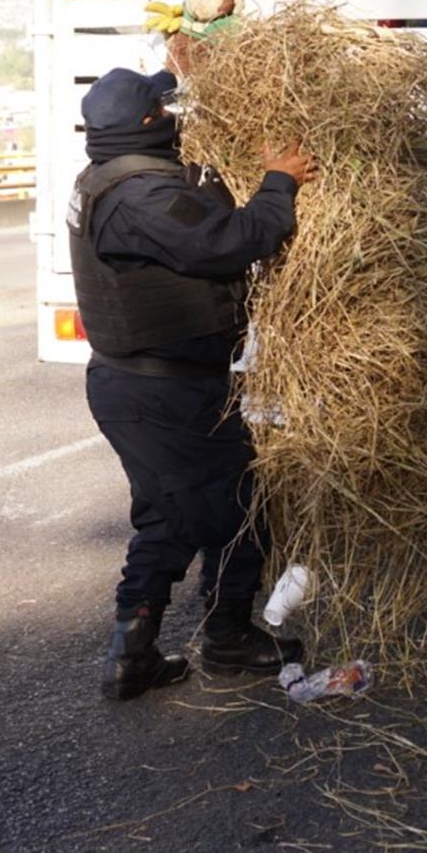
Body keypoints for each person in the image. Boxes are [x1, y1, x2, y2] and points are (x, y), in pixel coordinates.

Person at [69, 65, 319, 701]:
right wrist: (278, 183)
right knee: (242, 509)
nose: (176, 114)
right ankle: (229, 638)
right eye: (165, 107)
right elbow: (230, 243)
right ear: (149, 123)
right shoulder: (141, 197)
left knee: (166, 518)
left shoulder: (107, 177)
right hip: (163, 392)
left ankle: (133, 655)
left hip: (139, 385)